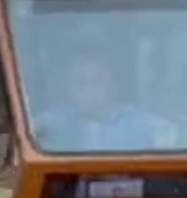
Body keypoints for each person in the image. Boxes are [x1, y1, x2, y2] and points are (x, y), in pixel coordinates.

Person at [31, 51, 174, 152]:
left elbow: (167, 133)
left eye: (98, 81)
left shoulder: (139, 122)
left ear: (113, 86)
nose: (90, 89)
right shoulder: (55, 121)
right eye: (81, 82)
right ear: (69, 89)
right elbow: (30, 131)